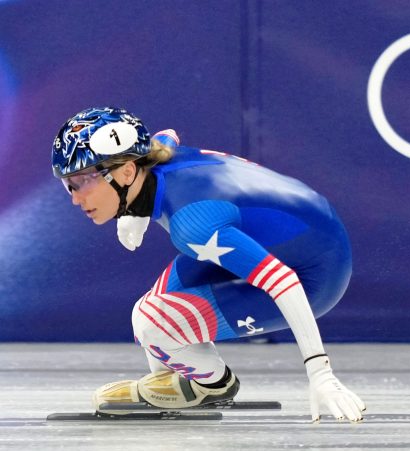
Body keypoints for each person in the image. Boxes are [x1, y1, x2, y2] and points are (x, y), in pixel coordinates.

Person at [51, 107, 366, 423]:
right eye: (68, 185)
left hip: (314, 276)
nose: (75, 198)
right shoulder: (156, 154)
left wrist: (320, 373)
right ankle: (180, 381)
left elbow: (282, 280)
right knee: (145, 314)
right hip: (298, 237)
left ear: (127, 173)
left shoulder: (193, 225)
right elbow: (168, 135)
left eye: (80, 182)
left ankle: (208, 385)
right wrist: (134, 212)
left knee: (152, 322)